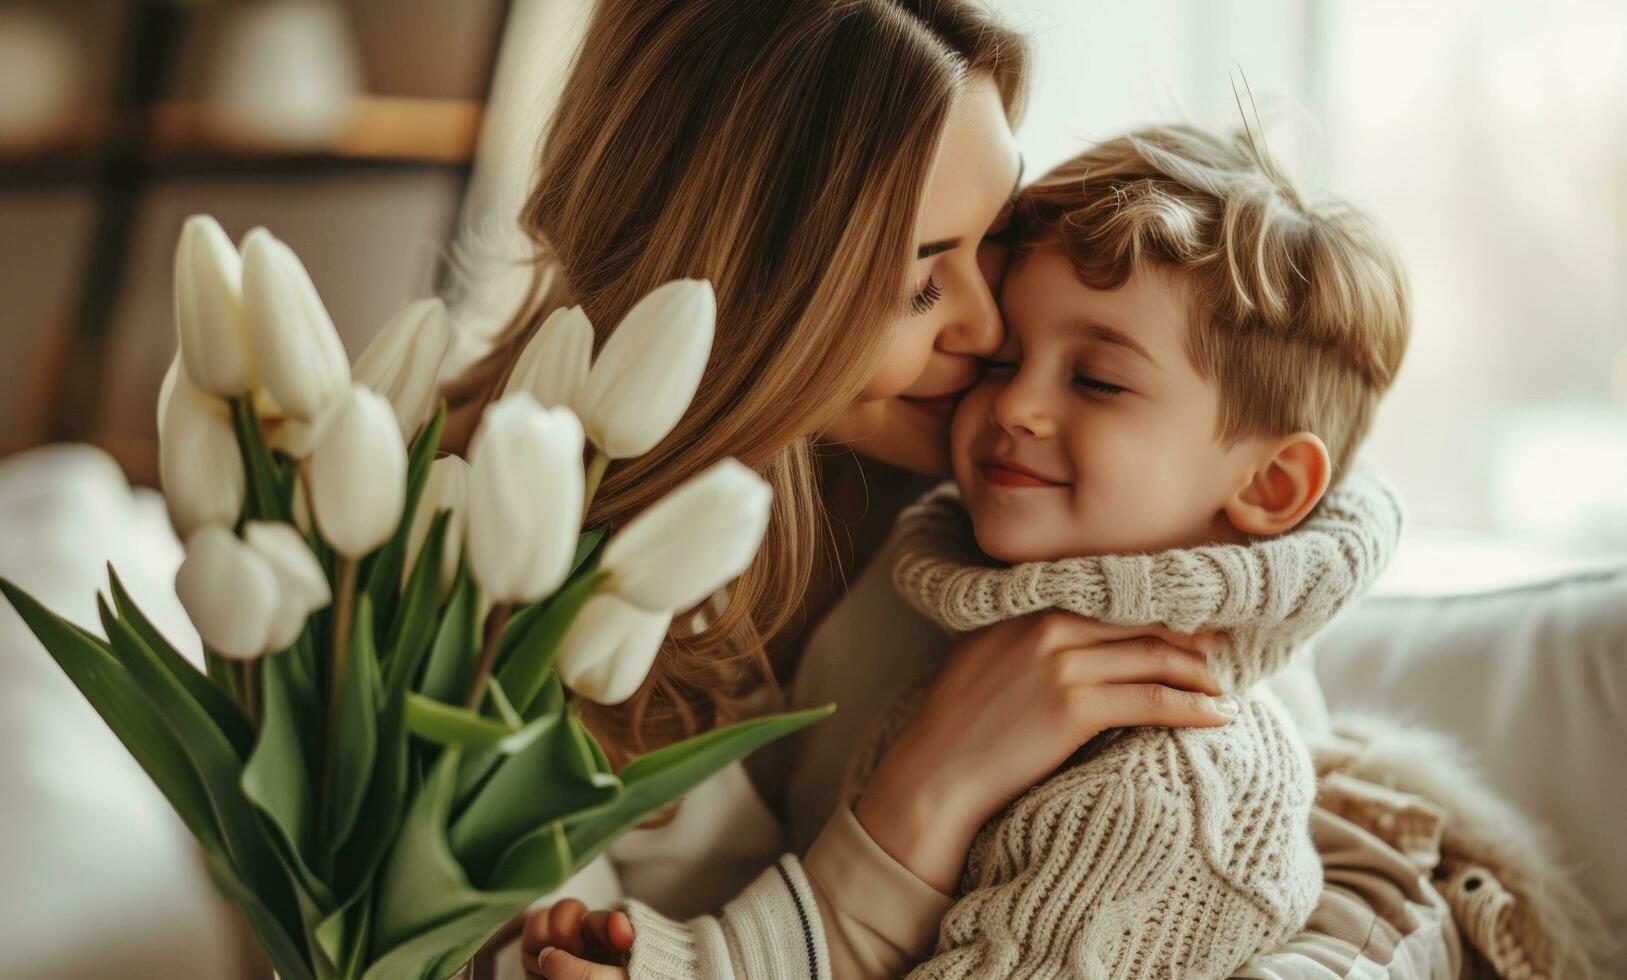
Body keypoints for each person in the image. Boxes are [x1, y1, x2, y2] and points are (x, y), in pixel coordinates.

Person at [447, 2, 1235, 977]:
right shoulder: (441, 569)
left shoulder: (1042, 472)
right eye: (918, 285)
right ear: (744, 283)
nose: (989, 330)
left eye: (995, 235)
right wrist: (925, 795)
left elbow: (1297, 842)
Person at [834, 124, 1411, 978]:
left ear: (1267, 486)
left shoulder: (1163, 784)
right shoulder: (922, 614)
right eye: (1001, 362)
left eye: (1097, 380)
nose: (1016, 406)